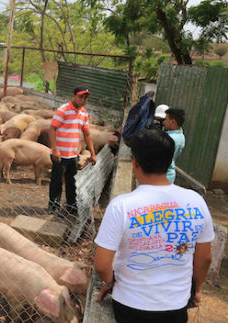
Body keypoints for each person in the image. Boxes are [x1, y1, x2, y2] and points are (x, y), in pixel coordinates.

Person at [94, 128, 213, 323]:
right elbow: (205, 258)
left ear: (135, 162)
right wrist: (196, 290)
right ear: (169, 162)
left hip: (130, 306)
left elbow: (101, 265)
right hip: (176, 307)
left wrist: (110, 281)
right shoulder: (196, 201)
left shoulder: (121, 205)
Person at [48, 86, 97, 216]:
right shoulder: (63, 110)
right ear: (74, 96)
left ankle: (71, 206)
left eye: (85, 97)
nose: (83, 99)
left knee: (72, 181)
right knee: (57, 180)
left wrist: (92, 153)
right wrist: (55, 149)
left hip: (73, 154)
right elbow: (52, 129)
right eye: (81, 96)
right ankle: (54, 206)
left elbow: (87, 134)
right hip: (60, 153)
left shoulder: (84, 113)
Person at [164, 108, 186, 184]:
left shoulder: (169, 139)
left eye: (166, 120)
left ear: (173, 122)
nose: (164, 122)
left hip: (163, 176)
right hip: (169, 174)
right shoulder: (180, 135)